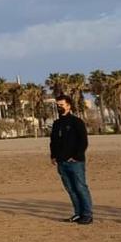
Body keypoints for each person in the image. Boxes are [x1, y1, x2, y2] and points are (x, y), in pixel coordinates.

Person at [49, 93, 92, 224]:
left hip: (75, 162)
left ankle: (87, 214)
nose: (59, 107)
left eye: (61, 105)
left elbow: (83, 141)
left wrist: (76, 157)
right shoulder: (56, 124)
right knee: (71, 189)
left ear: (68, 106)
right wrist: (53, 156)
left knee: (80, 188)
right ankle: (77, 213)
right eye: (58, 105)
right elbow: (53, 141)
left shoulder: (76, 122)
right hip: (61, 163)